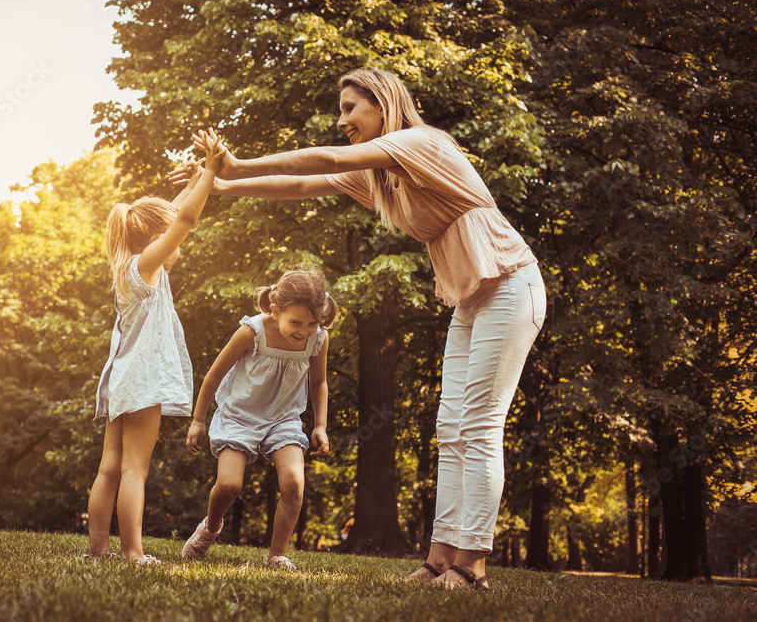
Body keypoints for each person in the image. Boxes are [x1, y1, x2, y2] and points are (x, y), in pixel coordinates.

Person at [171, 68, 545, 590]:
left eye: (351, 108)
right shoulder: (381, 173)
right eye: (341, 109)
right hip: (471, 296)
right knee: (449, 429)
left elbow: (324, 158)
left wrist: (237, 161)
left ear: (384, 102)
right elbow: (304, 182)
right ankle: (439, 562)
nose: (341, 119)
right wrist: (220, 182)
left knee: (478, 427)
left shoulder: (419, 143)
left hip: (509, 284)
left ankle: (471, 566)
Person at [83, 129, 223, 565]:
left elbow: (174, 215)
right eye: (165, 238)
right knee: (133, 470)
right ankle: (132, 553)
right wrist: (212, 171)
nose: (177, 245)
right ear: (153, 240)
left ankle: (97, 551)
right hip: (141, 379)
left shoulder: (129, 266)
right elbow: (183, 222)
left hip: (123, 378)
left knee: (110, 466)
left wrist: (194, 180)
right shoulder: (146, 267)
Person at [182, 269, 337, 571]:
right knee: (229, 486)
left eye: (312, 323)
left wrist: (320, 424)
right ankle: (208, 530)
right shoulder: (251, 332)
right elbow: (214, 374)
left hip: (284, 418)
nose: (303, 330)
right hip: (239, 416)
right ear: (275, 310)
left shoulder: (318, 339)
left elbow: (319, 383)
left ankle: (276, 555)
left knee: (293, 484)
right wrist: (198, 420)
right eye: (295, 322)